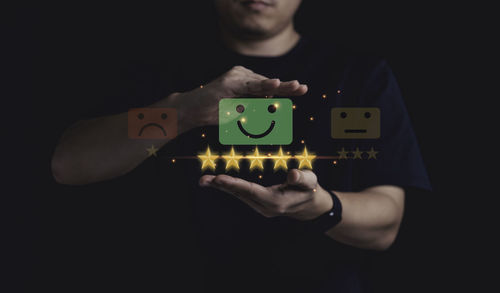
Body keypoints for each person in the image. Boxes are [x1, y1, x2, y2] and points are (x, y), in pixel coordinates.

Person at [51, 0, 430, 291]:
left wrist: (317, 206)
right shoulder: (154, 67)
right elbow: (69, 164)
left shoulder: (359, 75)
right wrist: (181, 112)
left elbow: (386, 223)